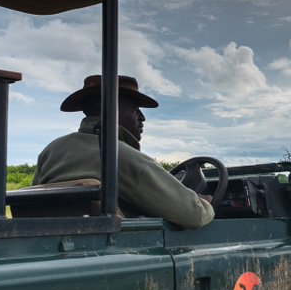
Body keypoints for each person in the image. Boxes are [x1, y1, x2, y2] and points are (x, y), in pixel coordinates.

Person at [34, 74, 214, 229]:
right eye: (135, 109)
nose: (142, 117)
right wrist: (205, 202)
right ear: (112, 109)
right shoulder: (124, 157)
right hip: (124, 251)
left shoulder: (51, 151)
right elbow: (194, 215)